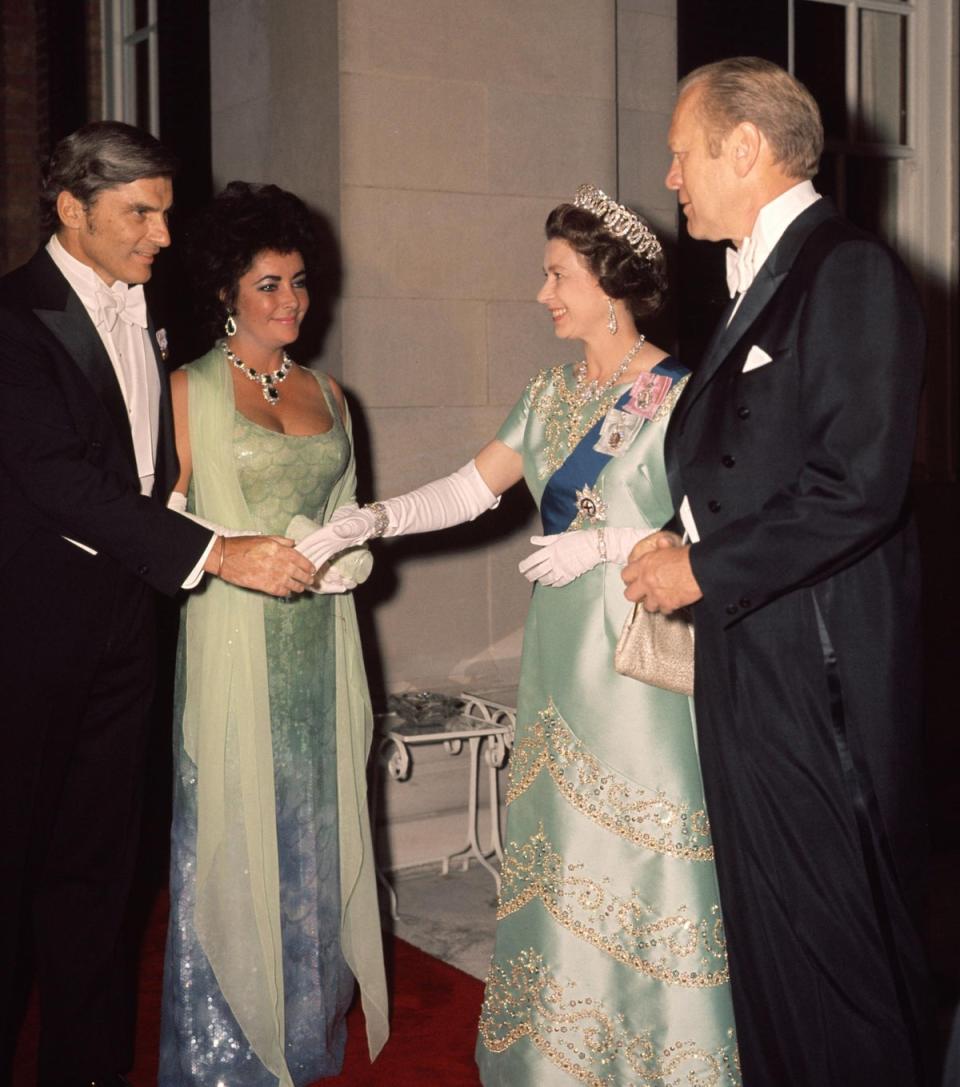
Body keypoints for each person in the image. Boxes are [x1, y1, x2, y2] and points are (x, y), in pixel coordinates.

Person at [298, 185, 741, 1085]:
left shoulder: (677, 395)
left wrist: (615, 540)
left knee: (639, 862)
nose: (543, 295)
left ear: (610, 287)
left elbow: (723, 537)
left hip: (638, 668)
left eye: (557, 276)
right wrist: (368, 519)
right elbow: (469, 490)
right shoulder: (549, 393)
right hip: (558, 663)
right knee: (562, 851)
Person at [623, 57, 933, 1086]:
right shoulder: (764, 268)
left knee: (835, 951)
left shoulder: (844, 268)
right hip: (756, 650)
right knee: (770, 939)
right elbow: (753, 460)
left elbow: (859, 483)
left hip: (821, 667)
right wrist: (679, 534)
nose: (669, 174)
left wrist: (705, 568)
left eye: (682, 150)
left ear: (743, 148)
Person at [0, 124, 313, 1087]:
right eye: (141, 212)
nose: (163, 235)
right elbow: (60, 482)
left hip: (132, 630)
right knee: (11, 884)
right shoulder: (12, 319)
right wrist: (217, 550)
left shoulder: (155, 309)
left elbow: (143, 470)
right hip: (30, 642)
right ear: (70, 209)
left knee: (99, 884)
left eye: (166, 211)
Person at [157, 181, 388, 1086]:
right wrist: (226, 550)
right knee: (230, 833)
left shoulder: (332, 392)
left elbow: (345, 513)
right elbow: (153, 527)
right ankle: (222, 1055)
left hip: (322, 656)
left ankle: (299, 1034)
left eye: (298, 281)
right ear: (226, 291)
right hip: (230, 649)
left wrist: (347, 550)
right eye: (267, 284)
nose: (290, 301)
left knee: (312, 833)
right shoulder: (186, 391)